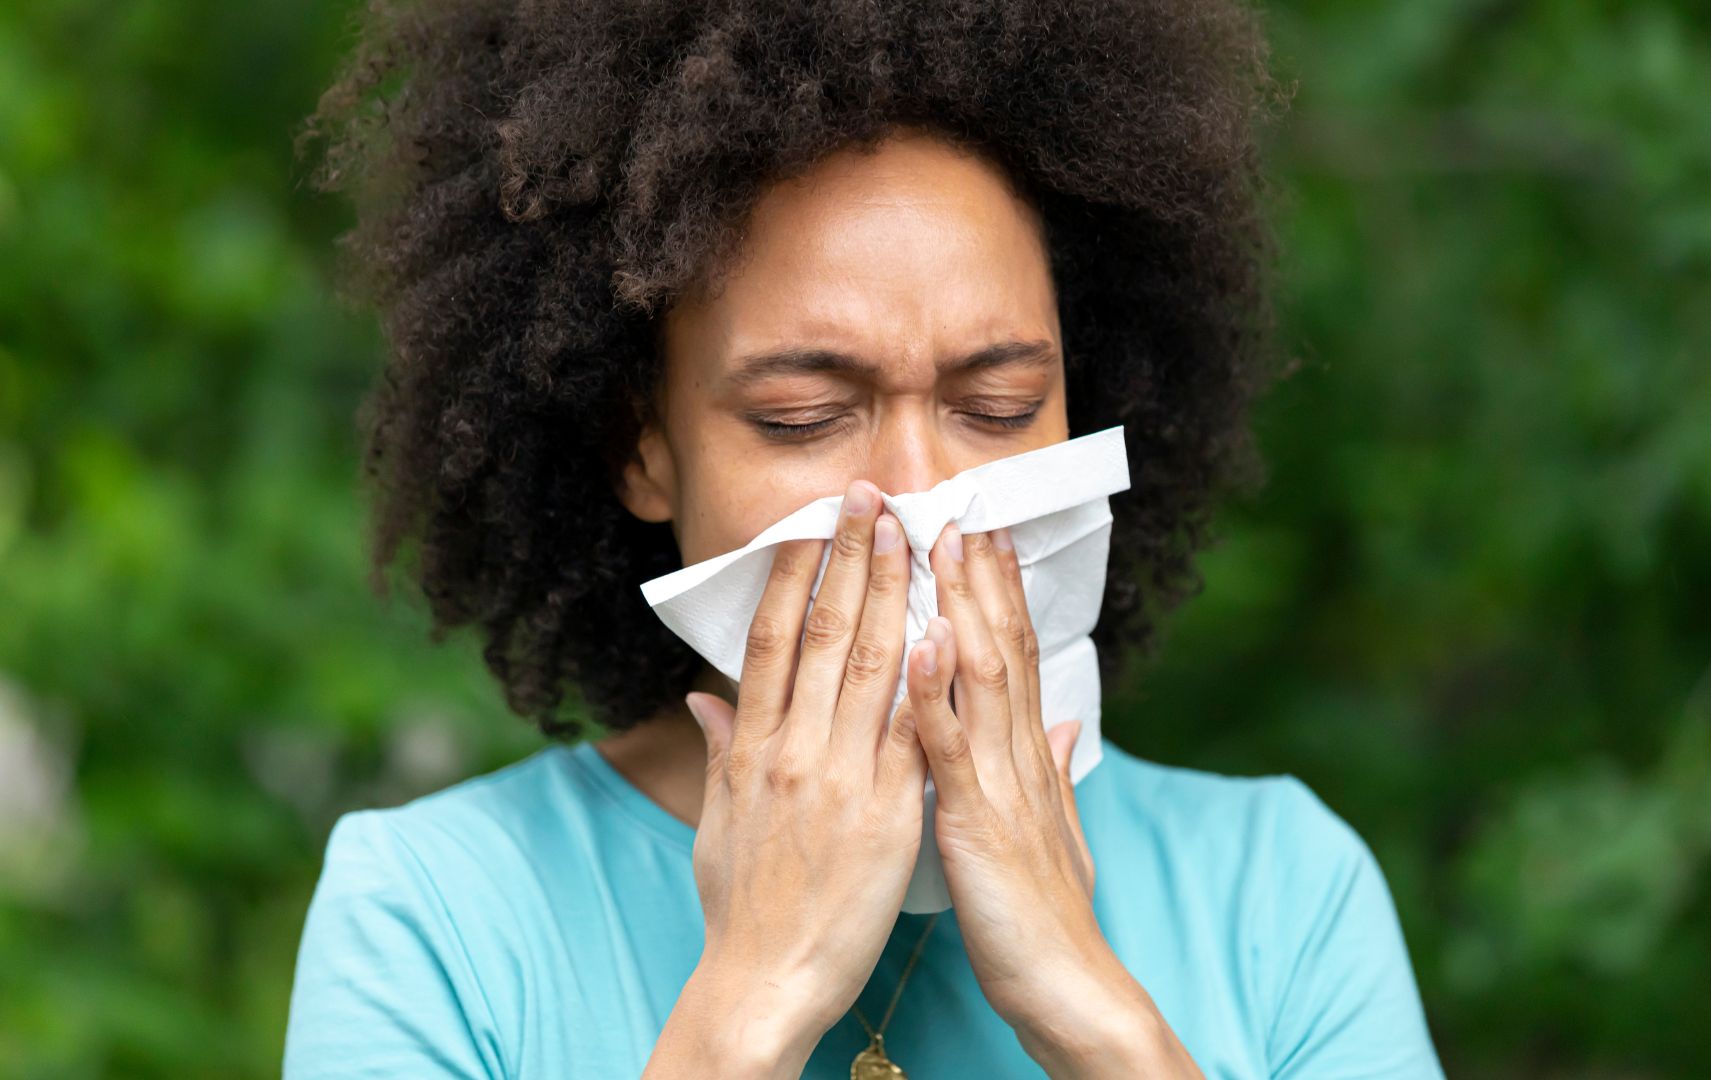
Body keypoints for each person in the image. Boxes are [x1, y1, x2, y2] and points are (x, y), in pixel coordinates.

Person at [285, 0, 1445, 1076]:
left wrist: (1091, 1009)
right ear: (642, 446)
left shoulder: (1282, 893)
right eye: (804, 418)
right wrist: (751, 1004)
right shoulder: (434, 916)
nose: (913, 496)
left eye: (996, 407)